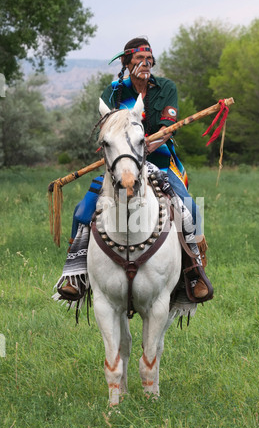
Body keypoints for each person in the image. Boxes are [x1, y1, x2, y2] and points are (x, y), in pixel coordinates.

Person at [54, 37, 211, 303]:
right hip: (120, 164)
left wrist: (144, 146)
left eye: (148, 59)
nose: (145, 63)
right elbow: (107, 131)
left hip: (159, 161)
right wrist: (127, 150)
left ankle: (193, 274)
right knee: (82, 211)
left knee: (190, 208)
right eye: (138, 59)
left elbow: (166, 129)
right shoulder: (114, 92)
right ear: (127, 63)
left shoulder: (166, 88)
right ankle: (76, 276)